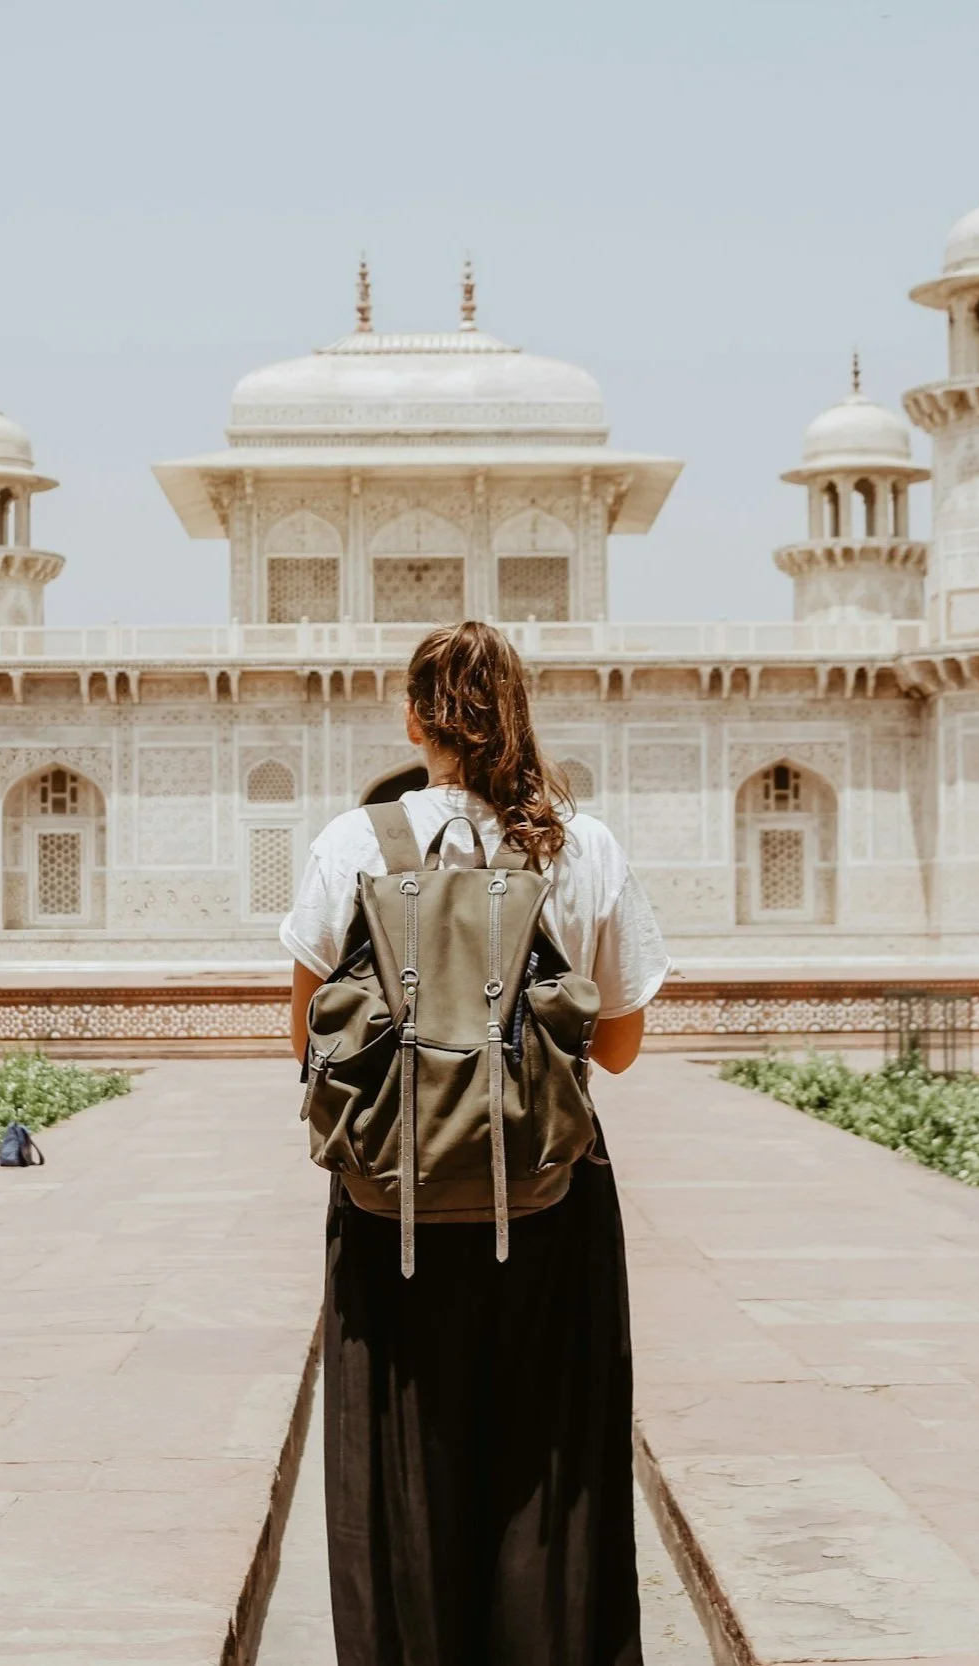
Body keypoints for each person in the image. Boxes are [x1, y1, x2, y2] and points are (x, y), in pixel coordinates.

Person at [281, 620, 669, 1666]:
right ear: (519, 715)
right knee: (548, 1471)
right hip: (547, 1198)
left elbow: (307, 1041)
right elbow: (621, 1047)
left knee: (400, 1473)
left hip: (389, 1208)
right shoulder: (579, 846)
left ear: (412, 721)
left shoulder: (350, 843)